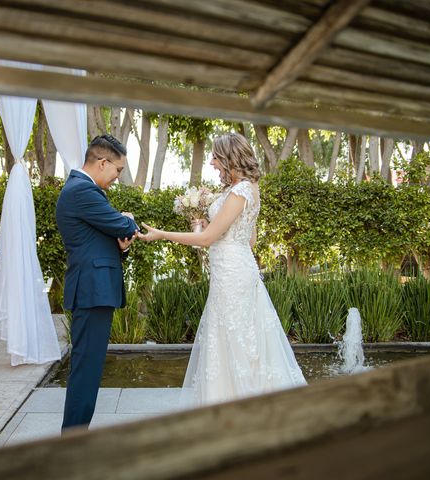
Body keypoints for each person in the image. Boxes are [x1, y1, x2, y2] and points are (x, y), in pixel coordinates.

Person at [138, 132, 306, 406]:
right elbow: (247, 240)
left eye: (216, 157)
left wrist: (162, 234)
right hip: (235, 270)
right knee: (236, 337)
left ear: (230, 158)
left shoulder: (240, 192)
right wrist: (198, 221)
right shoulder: (242, 190)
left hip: (233, 277)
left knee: (236, 338)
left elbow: (206, 240)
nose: (213, 163)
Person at [56, 134, 138, 431]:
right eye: (118, 170)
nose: (118, 177)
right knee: (86, 372)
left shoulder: (83, 190)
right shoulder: (82, 191)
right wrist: (127, 217)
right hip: (92, 292)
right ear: (103, 163)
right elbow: (123, 225)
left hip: (94, 291)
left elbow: (104, 239)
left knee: (88, 370)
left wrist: (121, 246)